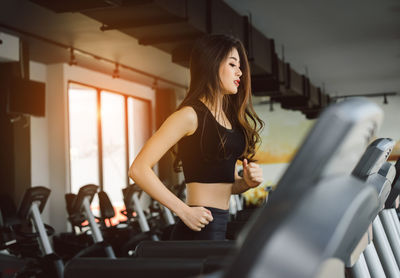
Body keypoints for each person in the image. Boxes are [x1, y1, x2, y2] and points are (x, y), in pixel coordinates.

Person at [129, 34, 264, 240]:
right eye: (233, 64)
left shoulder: (230, 119)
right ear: (211, 65)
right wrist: (183, 211)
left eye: (240, 66)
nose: (240, 72)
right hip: (199, 227)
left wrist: (246, 183)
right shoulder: (189, 115)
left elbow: (223, 184)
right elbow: (138, 169)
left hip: (221, 223)